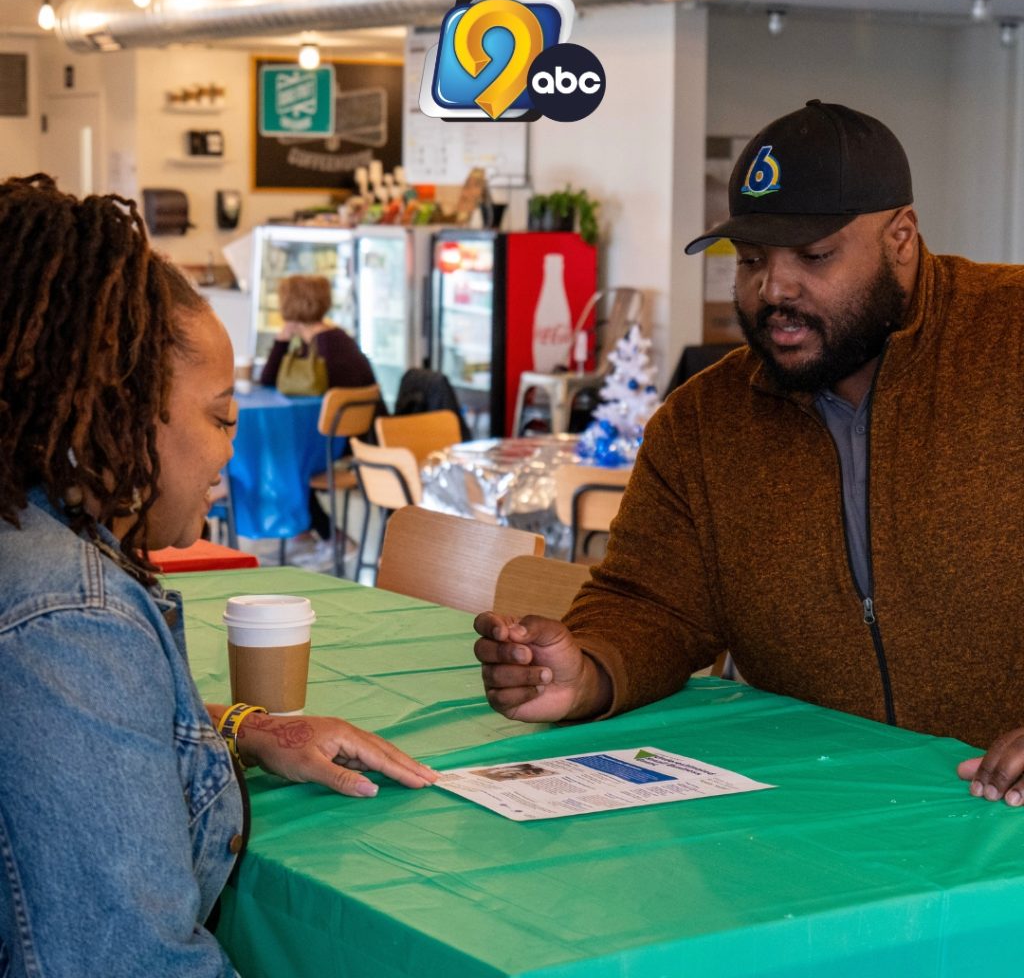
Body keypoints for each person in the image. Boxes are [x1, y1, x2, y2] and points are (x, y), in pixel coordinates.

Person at [473, 100, 1024, 808]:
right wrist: (588, 671)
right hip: (813, 814)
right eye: (752, 260)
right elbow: (651, 604)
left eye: (815, 256)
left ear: (902, 239)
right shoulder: (703, 423)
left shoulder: (1008, 338)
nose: (775, 290)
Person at [0, 176, 436, 976]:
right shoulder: (69, 614)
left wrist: (239, 729)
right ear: (118, 408)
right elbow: (132, 962)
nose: (229, 452)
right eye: (219, 417)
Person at [259, 273, 379, 545]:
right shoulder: (336, 338)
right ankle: (312, 533)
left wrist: (281, 339)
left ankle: (318, 534)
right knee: (284, 456)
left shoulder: (320, 348)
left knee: (280, 458)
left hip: (340, 444)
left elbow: (268, 379)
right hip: (357, 436)